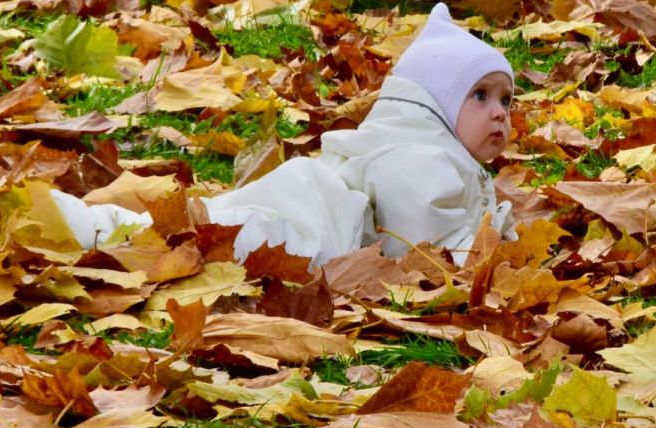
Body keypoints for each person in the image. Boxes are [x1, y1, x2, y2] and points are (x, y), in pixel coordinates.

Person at [52, 3, 516, 266]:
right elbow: (417, 251)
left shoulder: (445, 158)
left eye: (505, 100)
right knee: (208, 242)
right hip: (306, 222)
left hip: (304, 215)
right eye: (480, 96)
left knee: (199, 231)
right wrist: (488, 245)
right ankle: (78, 225)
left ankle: (82, 224)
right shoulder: (419, 158)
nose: (498, 114)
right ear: (431, 103)